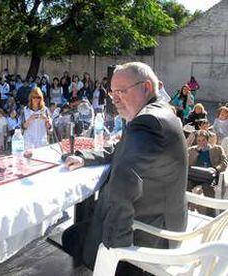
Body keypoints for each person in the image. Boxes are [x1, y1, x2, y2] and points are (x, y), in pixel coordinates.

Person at [62, 62, 188, 273]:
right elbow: (123, 148)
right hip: (163, 220)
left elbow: (123, 189)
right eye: (112, 92)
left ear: (146, 87)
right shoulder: (157, 112)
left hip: (147, 237)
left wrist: (112, 254)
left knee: (70, 237)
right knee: (76, 232)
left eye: (121, 91)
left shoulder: (147, 122)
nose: (115, 98)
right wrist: (85, 158)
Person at [188, 130, 227, 216]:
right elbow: (188, 164)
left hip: (209, 177)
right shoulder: (192, 150)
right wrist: (196, 152)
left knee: (208, 188)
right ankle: (186, 210)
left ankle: (210, 214)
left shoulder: (217, 149)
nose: (201, 142)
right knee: (186, 185)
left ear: (207, 140)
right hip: (196, 176)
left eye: (203, 140)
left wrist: (216, 169)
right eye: (199, 140)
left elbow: (224, 162)